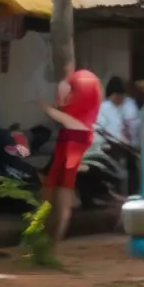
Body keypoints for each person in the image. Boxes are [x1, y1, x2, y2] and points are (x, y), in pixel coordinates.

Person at [42, 62, 103, 241]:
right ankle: (54, 235)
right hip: (84, 135)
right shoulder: (93, 82)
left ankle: (49, 234)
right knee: (65, 183)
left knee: (56, 183)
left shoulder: (68, 82)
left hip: (70, 135)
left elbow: (59, 105)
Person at [98, 77, 142, 148]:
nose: (118, 99)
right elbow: (101, 128)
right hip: (112, 147)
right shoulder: (103, 108)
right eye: (115, 96)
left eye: (120, 96)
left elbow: (137, 124)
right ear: (110, 96)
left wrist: (129, 128)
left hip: (132, 147)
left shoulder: (130, 104)